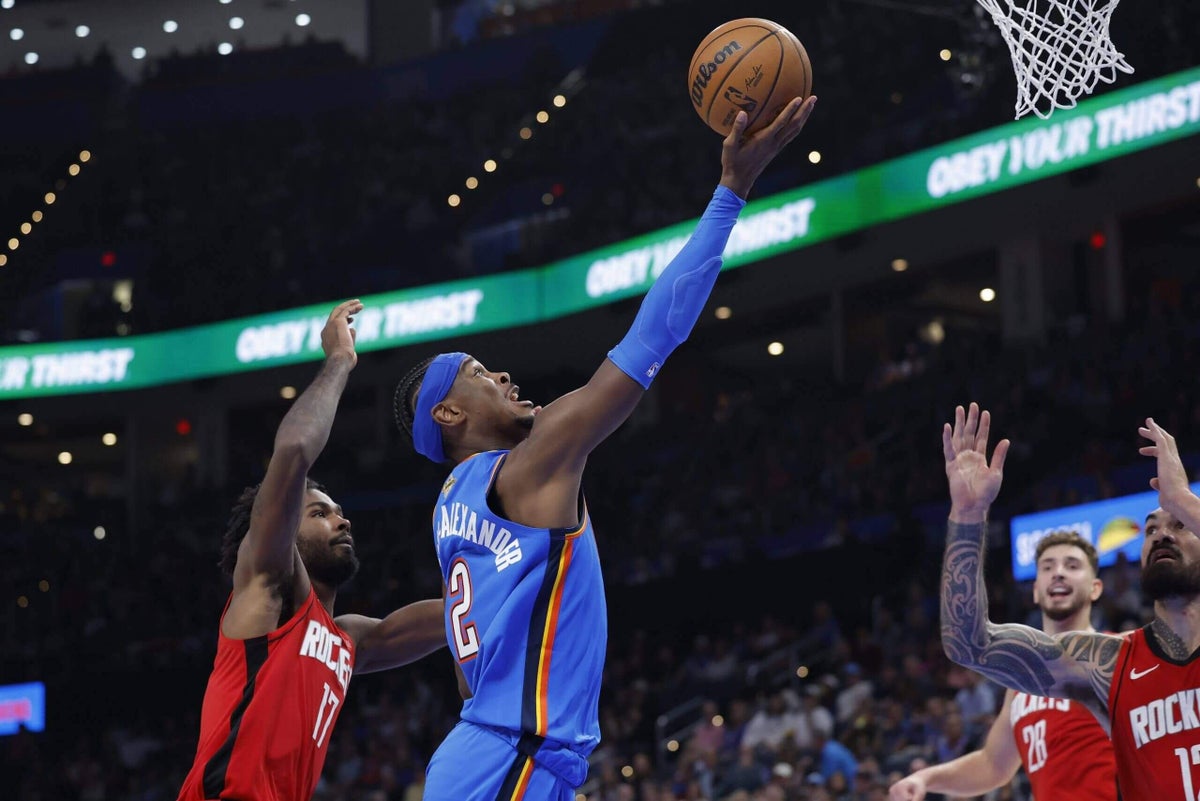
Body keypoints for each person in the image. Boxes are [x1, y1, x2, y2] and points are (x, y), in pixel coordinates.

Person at [393, 96, 818, 800]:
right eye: (480, 373)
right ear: (448, 412)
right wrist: (731, 192)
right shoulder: (529, 463)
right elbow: (654, 335)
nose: (503, 375)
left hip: (494, 753)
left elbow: (449, 641)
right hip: (511, 755)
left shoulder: (449, 511)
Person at [177, 300, 447, 801]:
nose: (342, 519)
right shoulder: (268, 590)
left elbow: (442, 619)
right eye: (319, 513)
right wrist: (340, 361)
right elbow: (295, 451)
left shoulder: (346, 638)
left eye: (338, 511)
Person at [938, 402, 1200, 800]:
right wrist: (968, 515)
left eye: (1179, 524)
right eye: (1150, 530)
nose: (1162, 534)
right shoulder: (1106, 664)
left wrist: (1180, 497)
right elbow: (968, 644)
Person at [889, 531, 1116, 800]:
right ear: (1035, 590)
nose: (1058, 573)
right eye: (1047, 567)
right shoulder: (1021, 683)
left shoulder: (1117, 655)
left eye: (1072, 565)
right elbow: (993, 765)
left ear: (1095, 588)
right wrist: (925, 778)